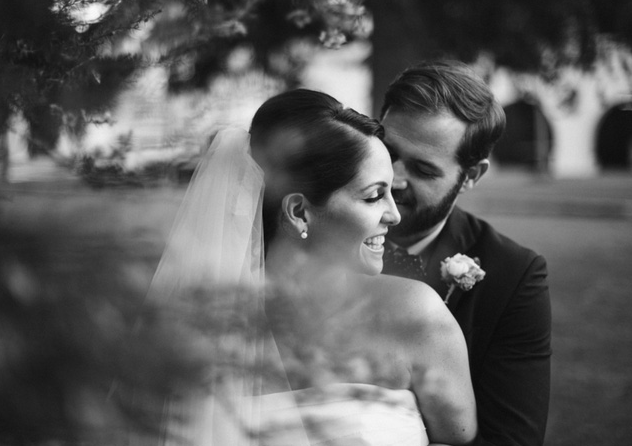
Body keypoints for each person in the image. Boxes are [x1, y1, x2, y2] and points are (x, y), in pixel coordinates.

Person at [149, 88, 478, 445]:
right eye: (372, 196)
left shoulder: (416, 317)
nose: (394, 215)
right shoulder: (198, 329)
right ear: (299, 212)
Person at [379, 60, 552, 446]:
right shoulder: (313, 232)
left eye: (423, 170)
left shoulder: (514, 274)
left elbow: (511, 440)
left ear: (471, 176)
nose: (394, 178)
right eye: (387, 151)